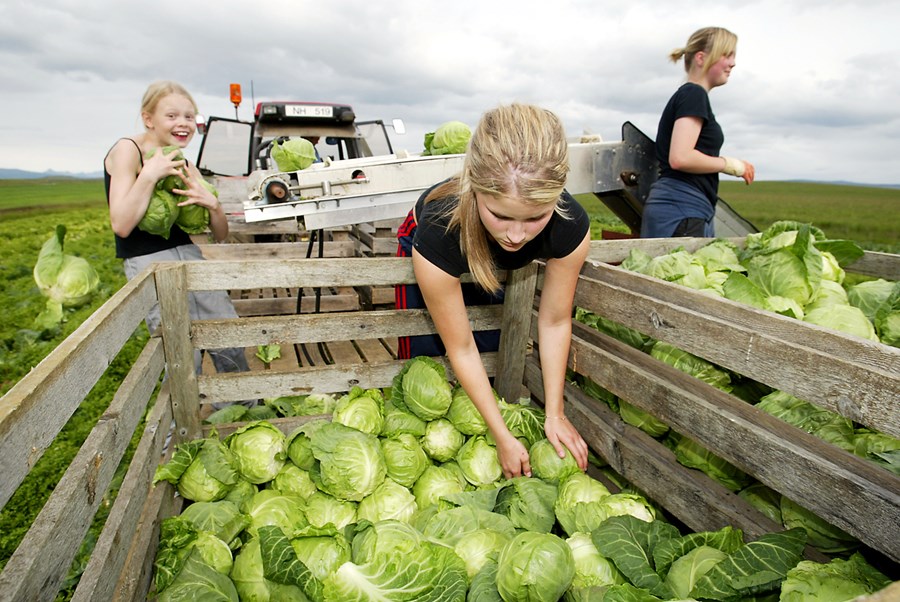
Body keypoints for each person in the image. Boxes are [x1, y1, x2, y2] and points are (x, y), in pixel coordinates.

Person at [396, 103, 591, 479]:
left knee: (491, 342)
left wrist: (555, 412)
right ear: (475, 187)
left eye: (536, 217)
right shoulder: (440, 230)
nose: (516, 235)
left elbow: (552, 321)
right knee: (429, 354)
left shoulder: (569, 226)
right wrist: (500, 435)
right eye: (500, 215)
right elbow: (461, 346)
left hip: (490, 262)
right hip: (441, 251)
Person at [104, 80, 253, 398]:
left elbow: (220, 234)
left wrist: (213, 205)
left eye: (189, 116)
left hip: (191, 256)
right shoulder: (126, 151)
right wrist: (149, 174)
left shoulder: (186, 164)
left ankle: (245, 410)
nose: (182, 123)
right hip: (151, 264)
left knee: (227, 337)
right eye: (172, 115)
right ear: (148, 119)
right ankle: (177, 436)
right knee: (180, 355)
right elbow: (121, 224)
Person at [640, 26, 755, 239]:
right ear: (701, 58)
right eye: (726, 55)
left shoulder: (691, 95)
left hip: (684, 208)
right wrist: (732, 165)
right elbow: (681, 158)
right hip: (682, 210)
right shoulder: (694, 94)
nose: (733, 63)